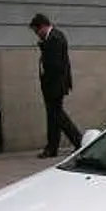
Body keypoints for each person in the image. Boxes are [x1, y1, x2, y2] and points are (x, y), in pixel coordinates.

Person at [29, 13, 82, 159]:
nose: (37, 35)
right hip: (52, 84)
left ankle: (78, 141)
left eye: (36, 31)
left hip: (55, 84)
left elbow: (55, 65)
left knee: (57, 115)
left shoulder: (55, 39)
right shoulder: (51, 38)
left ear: (43, 27)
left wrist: (43, 47)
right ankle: (54, 147)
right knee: (54, 116)